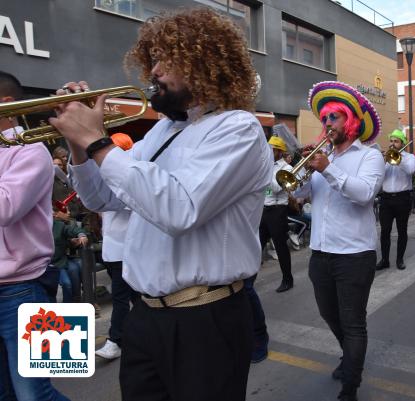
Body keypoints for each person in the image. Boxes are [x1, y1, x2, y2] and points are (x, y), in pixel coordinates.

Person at [52, 8, 272, 401]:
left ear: (204, 64)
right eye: (152, 59)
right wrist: (78, 144)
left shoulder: (239, 128)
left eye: (168, 59)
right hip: (146, 316)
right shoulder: (162, 131)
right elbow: (100, 197)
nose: (154, 71)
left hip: (205, 318)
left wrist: (98, 142)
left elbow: (179, 210)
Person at [295, 81, 384, 401]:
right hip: (320, 253)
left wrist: (328, 169)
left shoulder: (370, 157)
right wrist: (300, 173)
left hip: (354, 254)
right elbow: (298, 195)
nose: (328, 123)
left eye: (335, 117)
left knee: (353, 322)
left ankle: (351, 386)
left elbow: (363, 195)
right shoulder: (322, 158)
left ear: (351, 121)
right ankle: (348, 356)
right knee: (329, 314)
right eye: (325, 119)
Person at [0, 71, 70, 400]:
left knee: (36, 395)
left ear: (6, 104)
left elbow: (5, 208)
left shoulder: (32, 150)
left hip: (27, 288)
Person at [94, 133, 140, 360]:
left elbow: (123, 204)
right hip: (112, 250)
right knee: (136, 299)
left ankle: (115, 340)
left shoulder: (128, 179)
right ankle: (145, 335)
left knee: (121, 298)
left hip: (126, 250)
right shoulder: (105, 179)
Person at [377, 129, 415, 271]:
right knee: (385, 231)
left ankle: (400, 259)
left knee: (402, 230)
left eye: (396, 141)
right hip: (386, 198)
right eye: (391, 141)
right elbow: (378, 175)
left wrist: (397, 160)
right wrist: (382, 161)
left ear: (402, 143)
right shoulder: (385, 157)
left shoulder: (410, 157)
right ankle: (385, 259)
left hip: (402, 198)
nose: (393, 144)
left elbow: (411, 170)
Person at [260, 135, 294, 292]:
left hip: (278, 211)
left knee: (280, 247)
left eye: (271, 149)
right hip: (265, 210)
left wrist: (265, 170)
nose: (268, 151)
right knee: (257, 246)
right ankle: (248, 281)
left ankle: (288, 279)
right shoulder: (266, 165)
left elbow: (275, 188)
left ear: (279, 152)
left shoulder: (286, 169)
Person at [51, 207, 88, 302]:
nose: (68, 213)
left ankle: (76, 302)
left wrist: (81, 235)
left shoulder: (59, 225)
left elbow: (74, 230)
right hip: (41, 265)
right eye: (64, 211)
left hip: (59, 262)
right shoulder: (34, 227)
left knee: (74, 271)